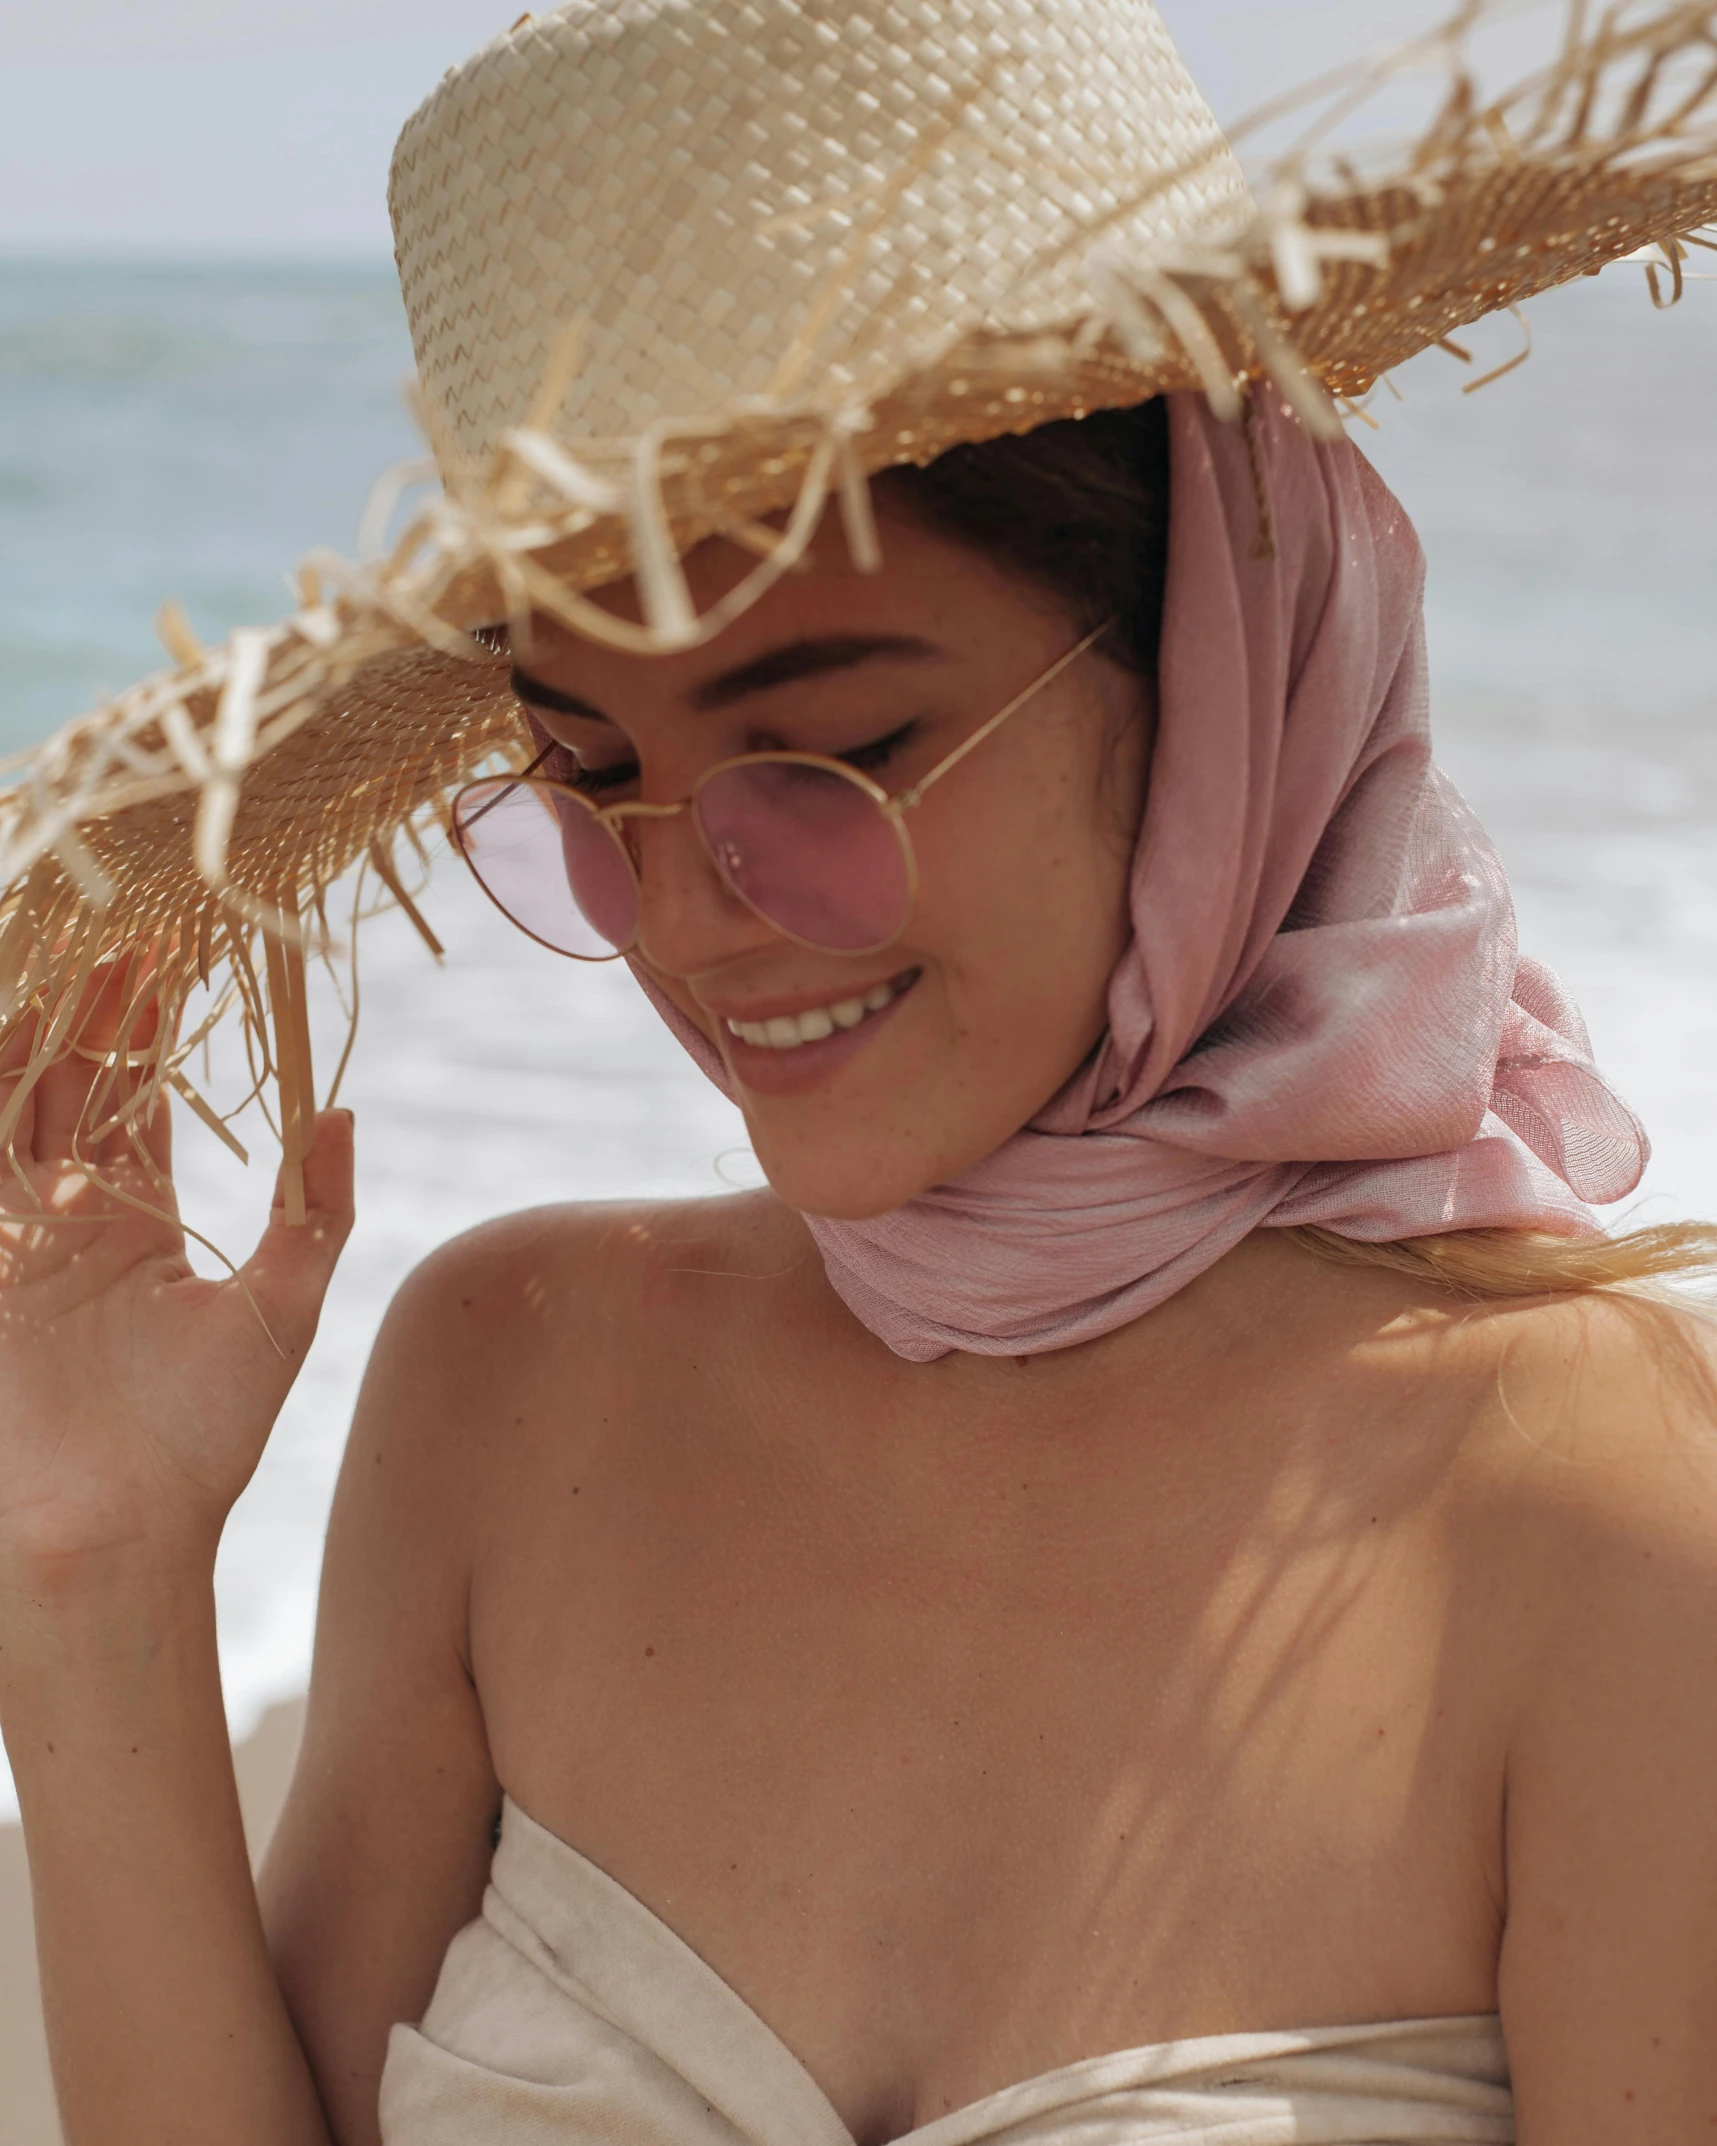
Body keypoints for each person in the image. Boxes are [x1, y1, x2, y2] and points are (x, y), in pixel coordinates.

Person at [2, 3, 1716, 2142]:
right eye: (592, 775)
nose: (692, 909)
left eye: (837, 748)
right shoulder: (510, 1377)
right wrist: (88, 1572)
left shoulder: (1608, 1508)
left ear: (1224, 646)